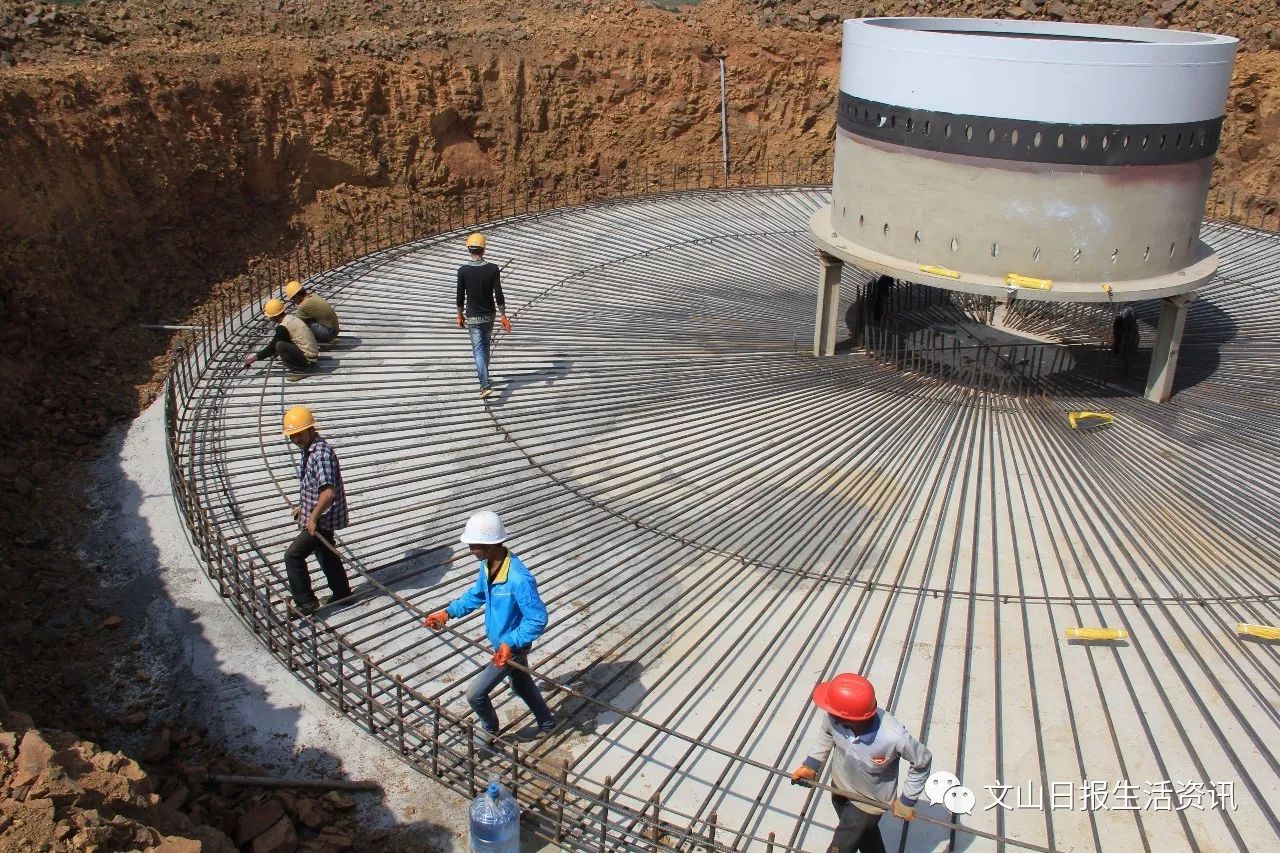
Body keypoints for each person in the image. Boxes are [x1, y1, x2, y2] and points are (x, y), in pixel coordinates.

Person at [424, 510, 557, 743]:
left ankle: (490, 729)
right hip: (503, 642)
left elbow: (537, 619)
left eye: (474, 545)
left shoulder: (519, 578)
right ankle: (547, 724)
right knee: (522, 685)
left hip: (512, 647)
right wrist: (447, 613)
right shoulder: (488, 565)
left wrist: (511, 642)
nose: (470, 549)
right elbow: (476, 595)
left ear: (489, 545)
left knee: (475, 694)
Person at [790, 673, 932, 853]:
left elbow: (922, 761)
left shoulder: (893, 736)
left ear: (850, 717)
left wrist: (907, 800)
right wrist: (811, 765)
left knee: (841, 846)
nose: (828, 712)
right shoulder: (835, 716)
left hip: (869, 802)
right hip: (839, 786)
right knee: (865, 836)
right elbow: (827, 733)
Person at [280, 405, 352, 617]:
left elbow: (328, 493)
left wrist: (312, 518)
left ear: (311, 429)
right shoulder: (309, 449)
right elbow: (312, 485)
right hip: (317, 514)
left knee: (292, 556)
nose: (295, 439)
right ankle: (343, 593)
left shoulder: (321, 454)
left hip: (322, 517)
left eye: (298, 434)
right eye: (292, 436)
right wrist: (302, 508)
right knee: (326, 553)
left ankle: (306, 602)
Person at [455, 233, 511, 398]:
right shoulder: (493, 269)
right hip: (489, 316)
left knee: (478, 350)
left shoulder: (463, 271)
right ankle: (485, 378)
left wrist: (459, 315)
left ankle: (484, 384)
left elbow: (460, 297)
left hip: (473, 317)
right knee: (484, 347)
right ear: (484, 249)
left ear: (468, 249)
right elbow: (499, 294)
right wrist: (503, 315)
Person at [244, 298, 318, 372]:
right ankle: (303, 364)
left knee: (279, 345)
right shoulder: (290, 317)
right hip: (313, 355)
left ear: (274, 316)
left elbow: (271, 348)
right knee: (280, 342)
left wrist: (253, 359)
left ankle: (299, 370)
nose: (271, 319)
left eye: (271, 317)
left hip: (308, 360)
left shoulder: (283, 327)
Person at [285, 279, 340, 344]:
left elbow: (295, 323)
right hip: (335, 329)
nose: (293, 302)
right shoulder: (313, 296)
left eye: (292, 299)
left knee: (303, 324)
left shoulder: (303, 306)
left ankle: (312, 343)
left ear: (296, 296)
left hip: (329, 333)